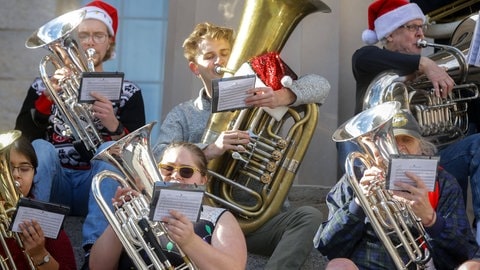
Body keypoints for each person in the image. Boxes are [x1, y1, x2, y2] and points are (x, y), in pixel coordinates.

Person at [151, 22, 329, 270]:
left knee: (310, 216)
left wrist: (283, 96)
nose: (219, 61)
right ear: (195, 68)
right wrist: (210, 149)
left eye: (225, 54)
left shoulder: (260, 97)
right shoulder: (183, 114)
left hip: (260, 220)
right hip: (205, 220)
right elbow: (158, 156)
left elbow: (322, 85)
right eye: (209, 56)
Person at [338, 0, 480, 243]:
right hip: (378, 168)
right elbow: (363, 56)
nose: (420, 33)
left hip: (426, 167)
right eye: (412, 27)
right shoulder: (367, 62)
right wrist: (425, 63)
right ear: (390, 35)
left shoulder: (431, 72)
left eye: (422, 27)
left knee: (476, 142)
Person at [14, 0, 146, 217]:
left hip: (98, 186)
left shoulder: (128, 91)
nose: (90, 43)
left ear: (110, 42)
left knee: (109, 157)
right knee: (41, 147)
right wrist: (46, 100)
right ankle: (34, 227)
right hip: (56, 182)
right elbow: (22, 141)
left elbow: (138, 153)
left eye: (98, 35)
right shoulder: (43, 86)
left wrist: (113, 125)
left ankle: (92, 247)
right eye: (83, 35)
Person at [315, 109, 479, 269]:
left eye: (406, 140)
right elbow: (327, 246)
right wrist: (358, 203)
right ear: (373, 147)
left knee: (471, 267)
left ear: (421, 147)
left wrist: (432, 220)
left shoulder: (443, 182)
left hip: (428, 265)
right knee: (339, 266)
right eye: (389, 139)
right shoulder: (354, 181)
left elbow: (464, 252)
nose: (398, 147)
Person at [85, 142, 247, 269]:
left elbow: (234, 268)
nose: (176, 175)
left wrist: (190, 242)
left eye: (186, 171)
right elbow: (98, 266)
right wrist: (119, 221)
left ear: (203, 180)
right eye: (167, 169)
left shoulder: (219, 217)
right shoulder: (136, 211)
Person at [1, 134, 77, 269]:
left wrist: (40, 254)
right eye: (6, 168)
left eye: (24, 169)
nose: (16, 175)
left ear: (34, 174)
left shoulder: (43, 218)